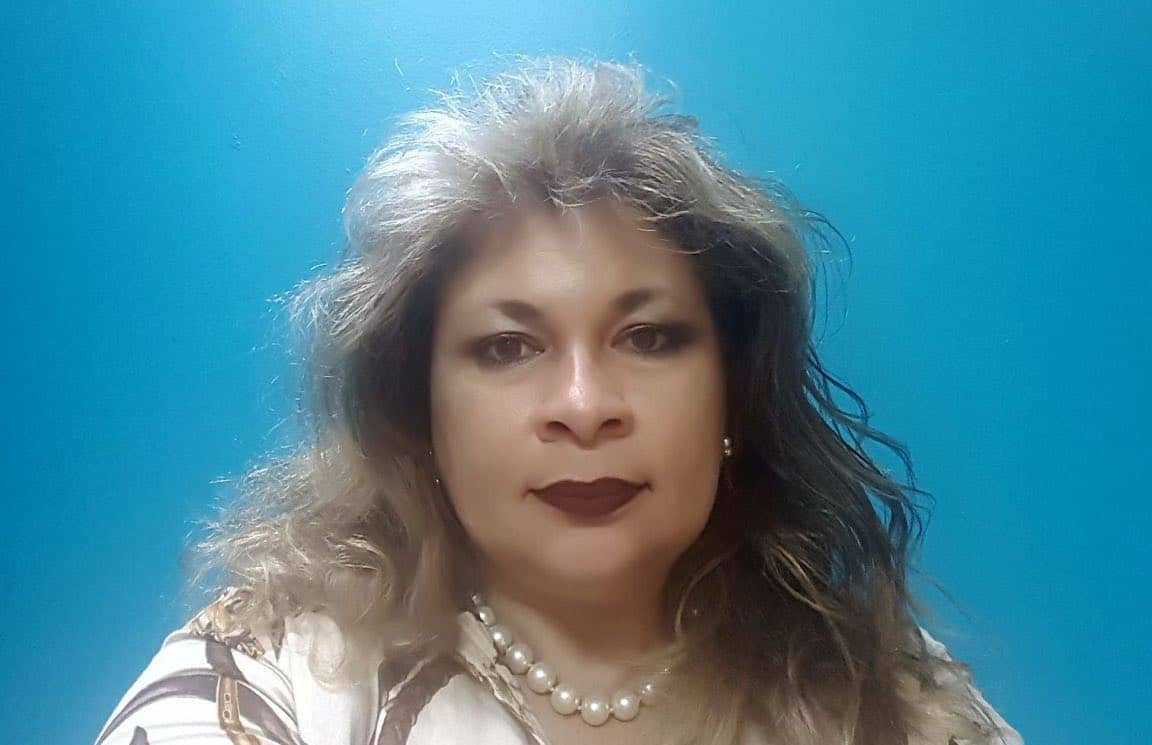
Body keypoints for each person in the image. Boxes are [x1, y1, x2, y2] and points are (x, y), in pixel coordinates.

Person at [93, 56, 1023, 745]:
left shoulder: (891, 695)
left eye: (649, 337)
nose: (584, 407)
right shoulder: (263, 680)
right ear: (420, 409)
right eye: (507, 347)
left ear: (733, 393)